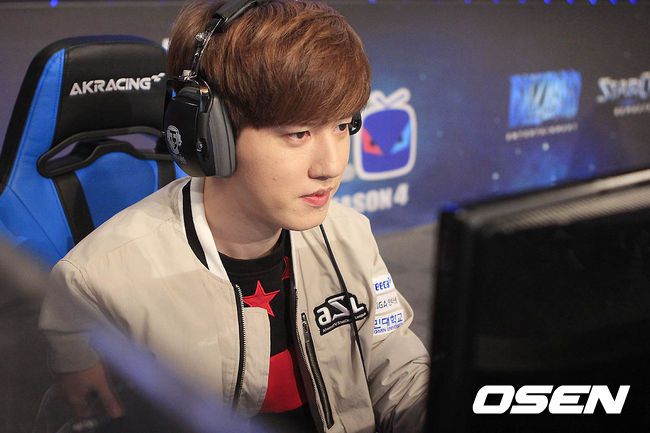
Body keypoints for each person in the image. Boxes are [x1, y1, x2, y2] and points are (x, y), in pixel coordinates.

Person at [38, 0, 430, 432]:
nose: (332, 166)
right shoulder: (95, 285)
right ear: (211, 135)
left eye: (342, 126)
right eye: (298, 134)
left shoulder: (350, 234)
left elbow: (396, 368)